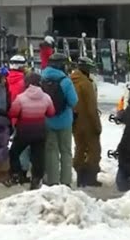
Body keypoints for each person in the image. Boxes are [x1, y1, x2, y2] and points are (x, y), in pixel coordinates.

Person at [6, 73, 55, 190]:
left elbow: (13, 113)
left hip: (24, 131)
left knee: (14, 152)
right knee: (38, 156)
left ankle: (16, 174)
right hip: (40, 131)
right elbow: (51, 113)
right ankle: (36, 179)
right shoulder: (46, 97)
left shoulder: (21, 98)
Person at [41, 52, 78, 186]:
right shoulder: (66, 81)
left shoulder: (42, 78)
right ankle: (66, 181)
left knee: (51, 151)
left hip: (47, 120)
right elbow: (74, 101)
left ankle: (53, 180)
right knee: (66, 152)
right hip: (65, 121)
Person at [70, 57, 102, 187]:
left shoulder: (71, 80)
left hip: (75, 121)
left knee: (79, 148)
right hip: (88, 122)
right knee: (94, 150)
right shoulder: (86, 84)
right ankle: (89, 177)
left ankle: (79, 175)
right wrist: (97, 125)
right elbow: (91, 108)